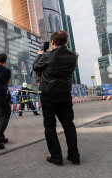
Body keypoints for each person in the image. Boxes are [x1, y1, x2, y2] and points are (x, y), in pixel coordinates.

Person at [33, 31, 80, 166]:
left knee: (50, 126)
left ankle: (56, 157)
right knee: (69, 125)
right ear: (67, 41)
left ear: (52, 42)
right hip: (65, 93)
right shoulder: (74, 56)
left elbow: (36, 67)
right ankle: (74, 156)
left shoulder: (47, 55)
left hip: (48, 93)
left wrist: (40, 54)